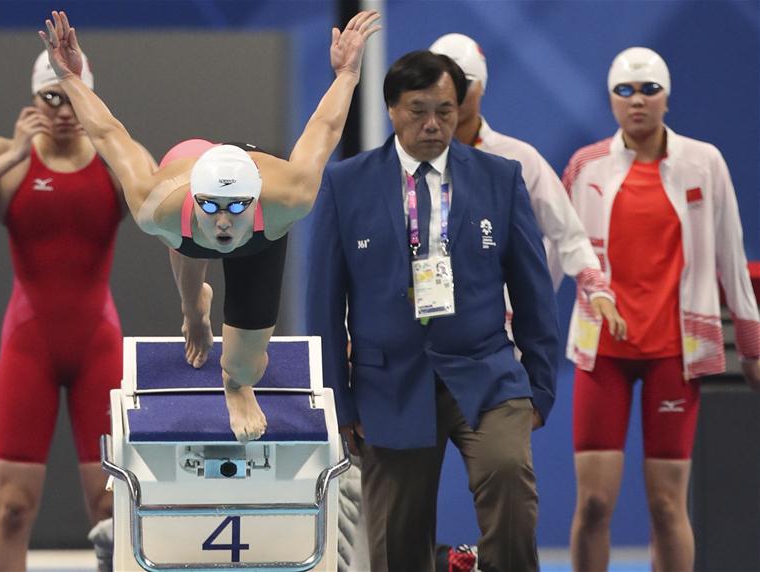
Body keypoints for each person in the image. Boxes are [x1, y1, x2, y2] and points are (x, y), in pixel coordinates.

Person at [38, 10, 380, 442]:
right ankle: (193, 306)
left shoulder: (287, 198)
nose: (222, 221)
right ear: (194, 198)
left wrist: (348, 73)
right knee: (183, 245)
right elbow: (109, 134)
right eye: (212, 207)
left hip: (256, 228)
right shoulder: (156, 203)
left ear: (253, 200)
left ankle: (235, 384)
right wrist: (70, 79)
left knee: (247, 365)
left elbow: (324, 128)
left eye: (236, 207)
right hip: (191, 166)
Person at [306, 49, 560, 572]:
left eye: (445, 111)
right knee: (396, 541)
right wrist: (338, 401)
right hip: (389, 381)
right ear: (392, 110)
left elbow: (533, 289)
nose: (432, 124)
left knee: (510, 480)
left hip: (486, 372)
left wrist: (539, 384)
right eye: (418, 110)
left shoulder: (500, 177)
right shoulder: (347, 184)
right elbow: (324, 303)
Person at [0, 50, 141, 571]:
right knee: (14, 507)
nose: (63, 111)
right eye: (51, 97)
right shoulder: (7, 154)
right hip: (30, 345)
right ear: (33, 97)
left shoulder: (114, 157)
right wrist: (15, 153)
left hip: (97, 344)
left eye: (72, 98)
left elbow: (164, 206)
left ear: (88, 98)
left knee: (113, 507)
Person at [563, 47, 760, 572]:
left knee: (667, 505)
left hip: (675, 353)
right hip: (602, 351)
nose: (638, 101)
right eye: (625, 91)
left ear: (667, 97)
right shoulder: (586, 165)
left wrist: (752, 344)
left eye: (649, 89)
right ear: (610, 99)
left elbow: (730, 258)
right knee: (595, 502)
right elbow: (556, 252)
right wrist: (513, 326)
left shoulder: (704, 162)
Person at [430, 33, 626, 337]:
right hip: (425, 327)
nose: (449, 95)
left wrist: (596, 287)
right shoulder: (407, 159)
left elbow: (567, 232)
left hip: (495, 334)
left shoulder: (518, 159)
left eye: (462, 83)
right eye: (439, 84)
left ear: (482, 85)